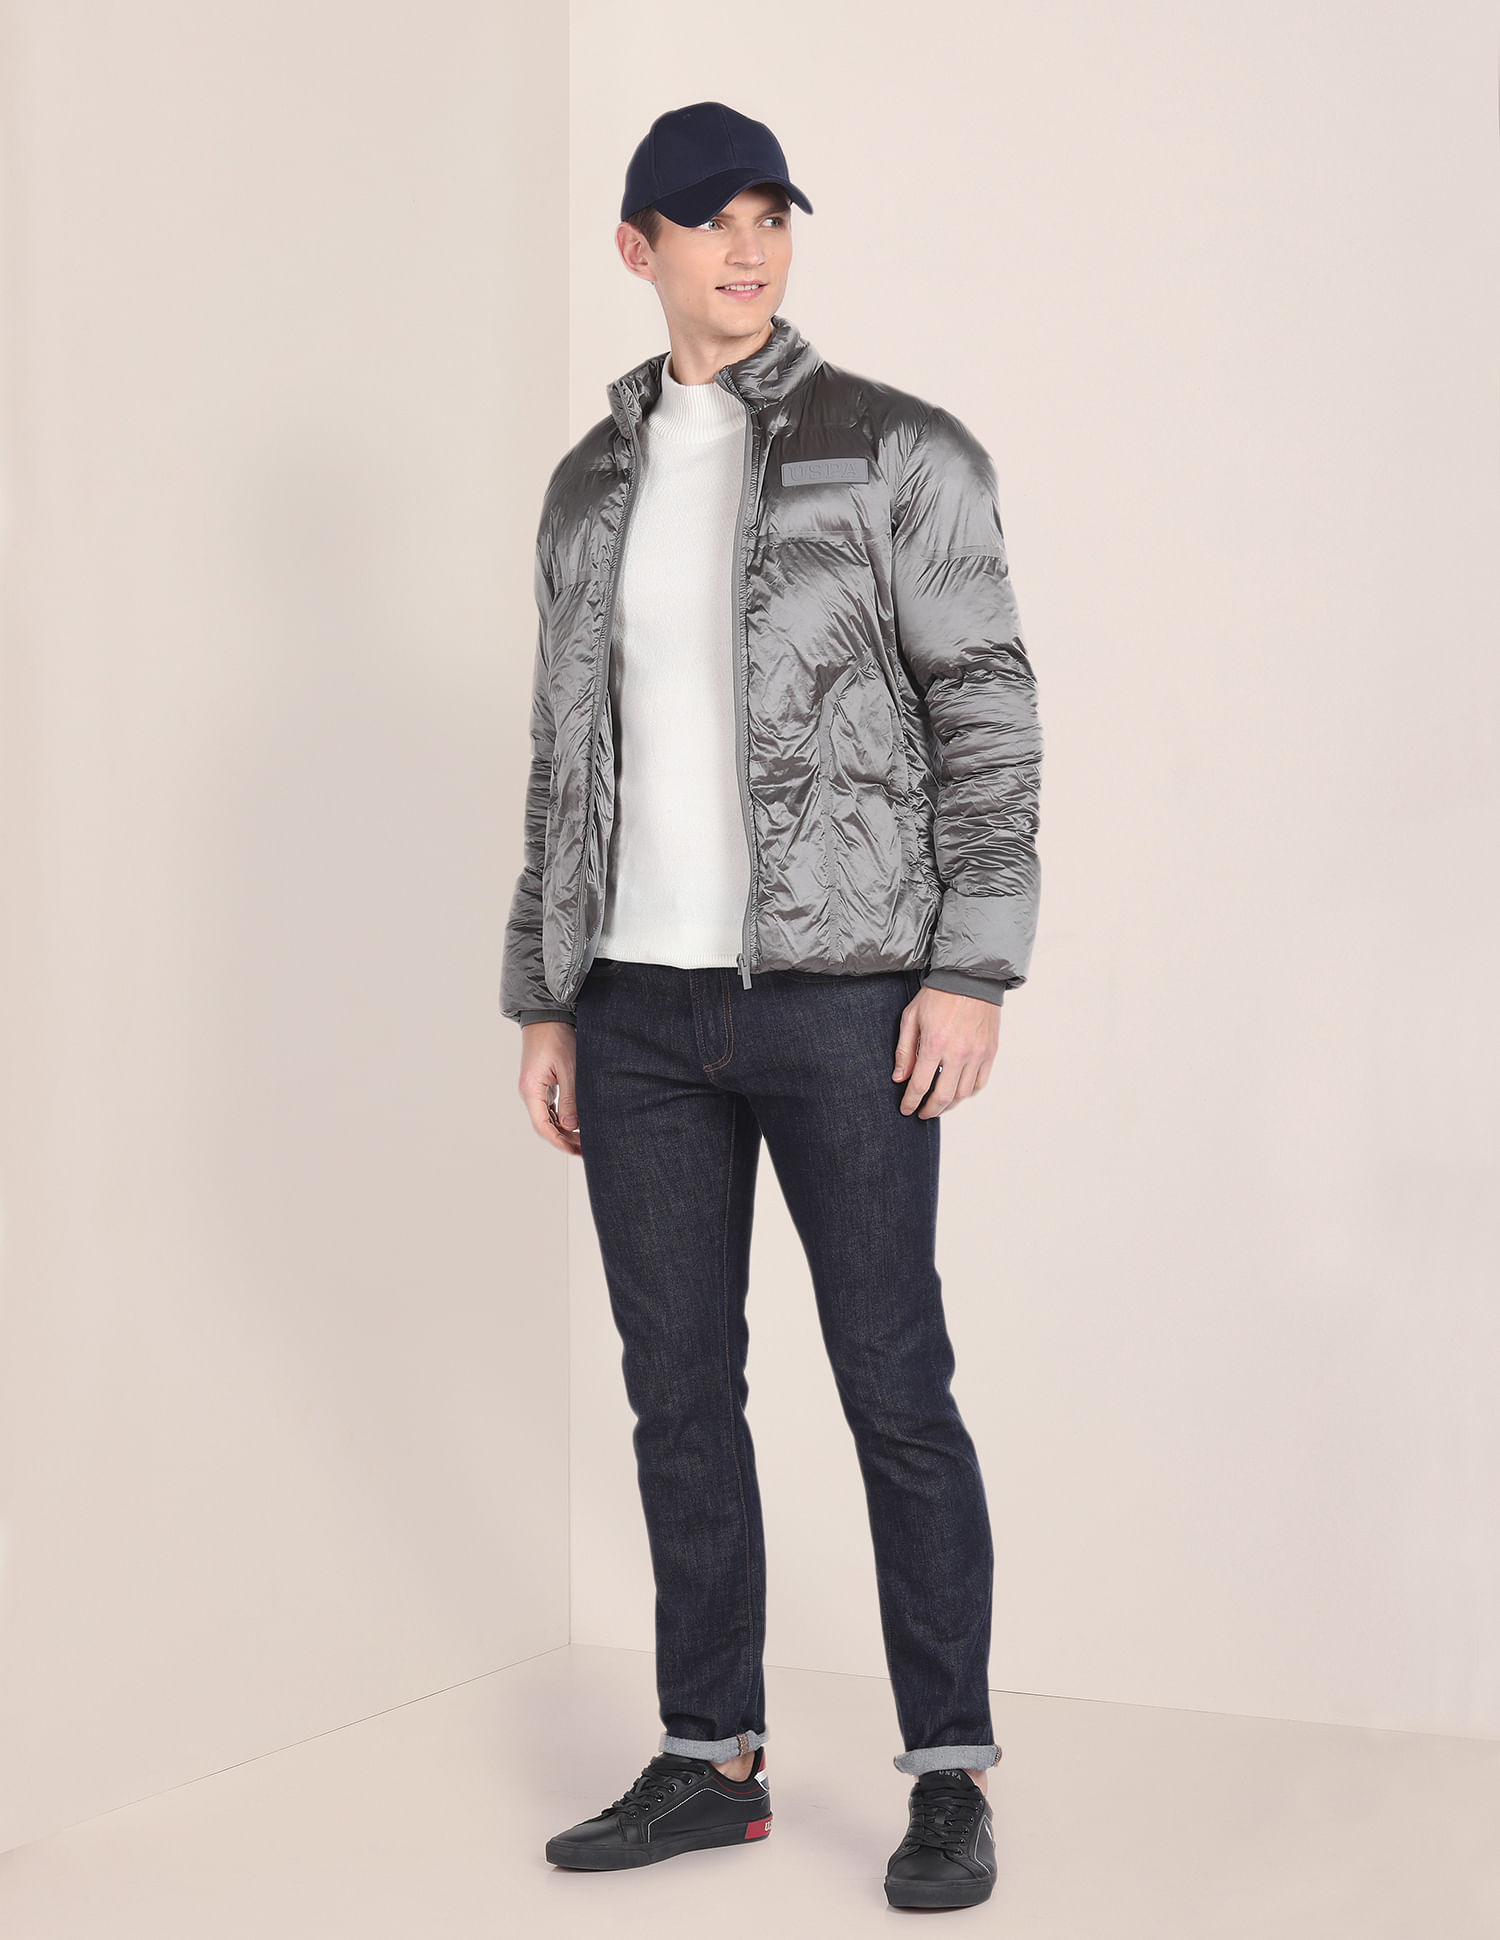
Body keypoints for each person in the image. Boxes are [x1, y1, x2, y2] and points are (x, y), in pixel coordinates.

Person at [499, 100, 1042, 1912]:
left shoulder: (898, 450)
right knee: (676, 1394)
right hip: (635, 1011)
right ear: (636, 247)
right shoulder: (588, 487)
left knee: (894, 1383)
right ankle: (709, 1757)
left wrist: (969, 966)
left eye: (769, 217)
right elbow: (563, 760)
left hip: (845, 999)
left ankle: (949, 1775)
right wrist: (545, 995)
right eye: (707, 221)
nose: (746, 250)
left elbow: (988, 717)